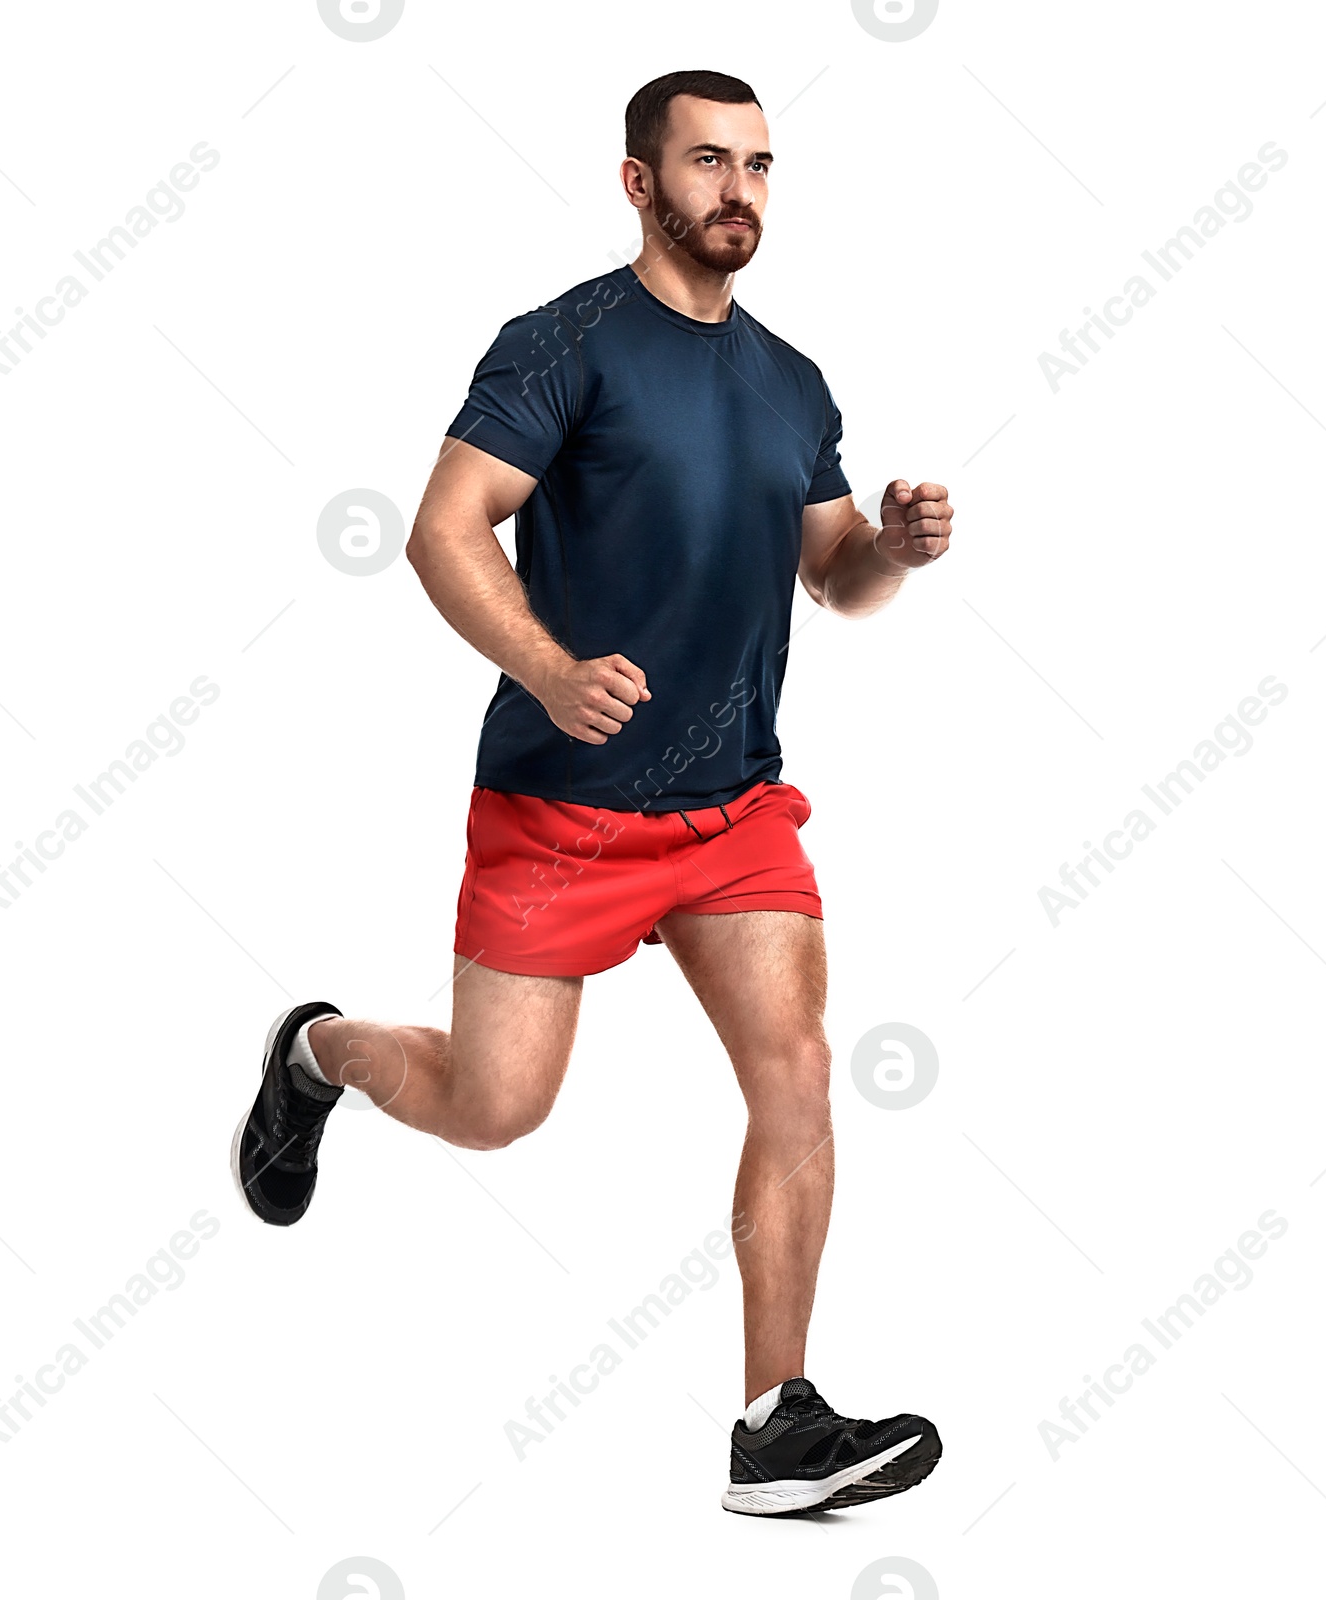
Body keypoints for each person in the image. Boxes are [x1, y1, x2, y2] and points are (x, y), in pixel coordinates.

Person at [233, 67, 955, 1517]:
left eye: (757, 164)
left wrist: (891, 551)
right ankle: (316, 1054)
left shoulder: (792, 380)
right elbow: (443, 532)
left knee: (800, 1071)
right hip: (562, 809)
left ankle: (774, 1422)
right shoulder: (561, 345)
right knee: (496, 1109)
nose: (737, 188)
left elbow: (832, 577)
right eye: (706, 162)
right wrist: (554, 672)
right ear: (641, 182)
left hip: (734, 811)